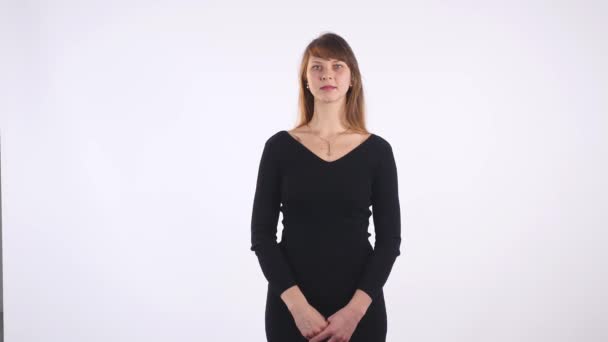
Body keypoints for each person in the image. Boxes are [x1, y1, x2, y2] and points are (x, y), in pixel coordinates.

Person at [250, 32, 402, 342]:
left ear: (352, 79)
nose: (327, 74)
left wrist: (353, 313)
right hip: (290, 310)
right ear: (305, 79)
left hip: (360, 311)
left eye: (337, 66)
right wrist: (298, 308)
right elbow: (262, 236)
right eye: (317, 67)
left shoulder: (378, 152)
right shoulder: (279, 147)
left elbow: (390, 241)